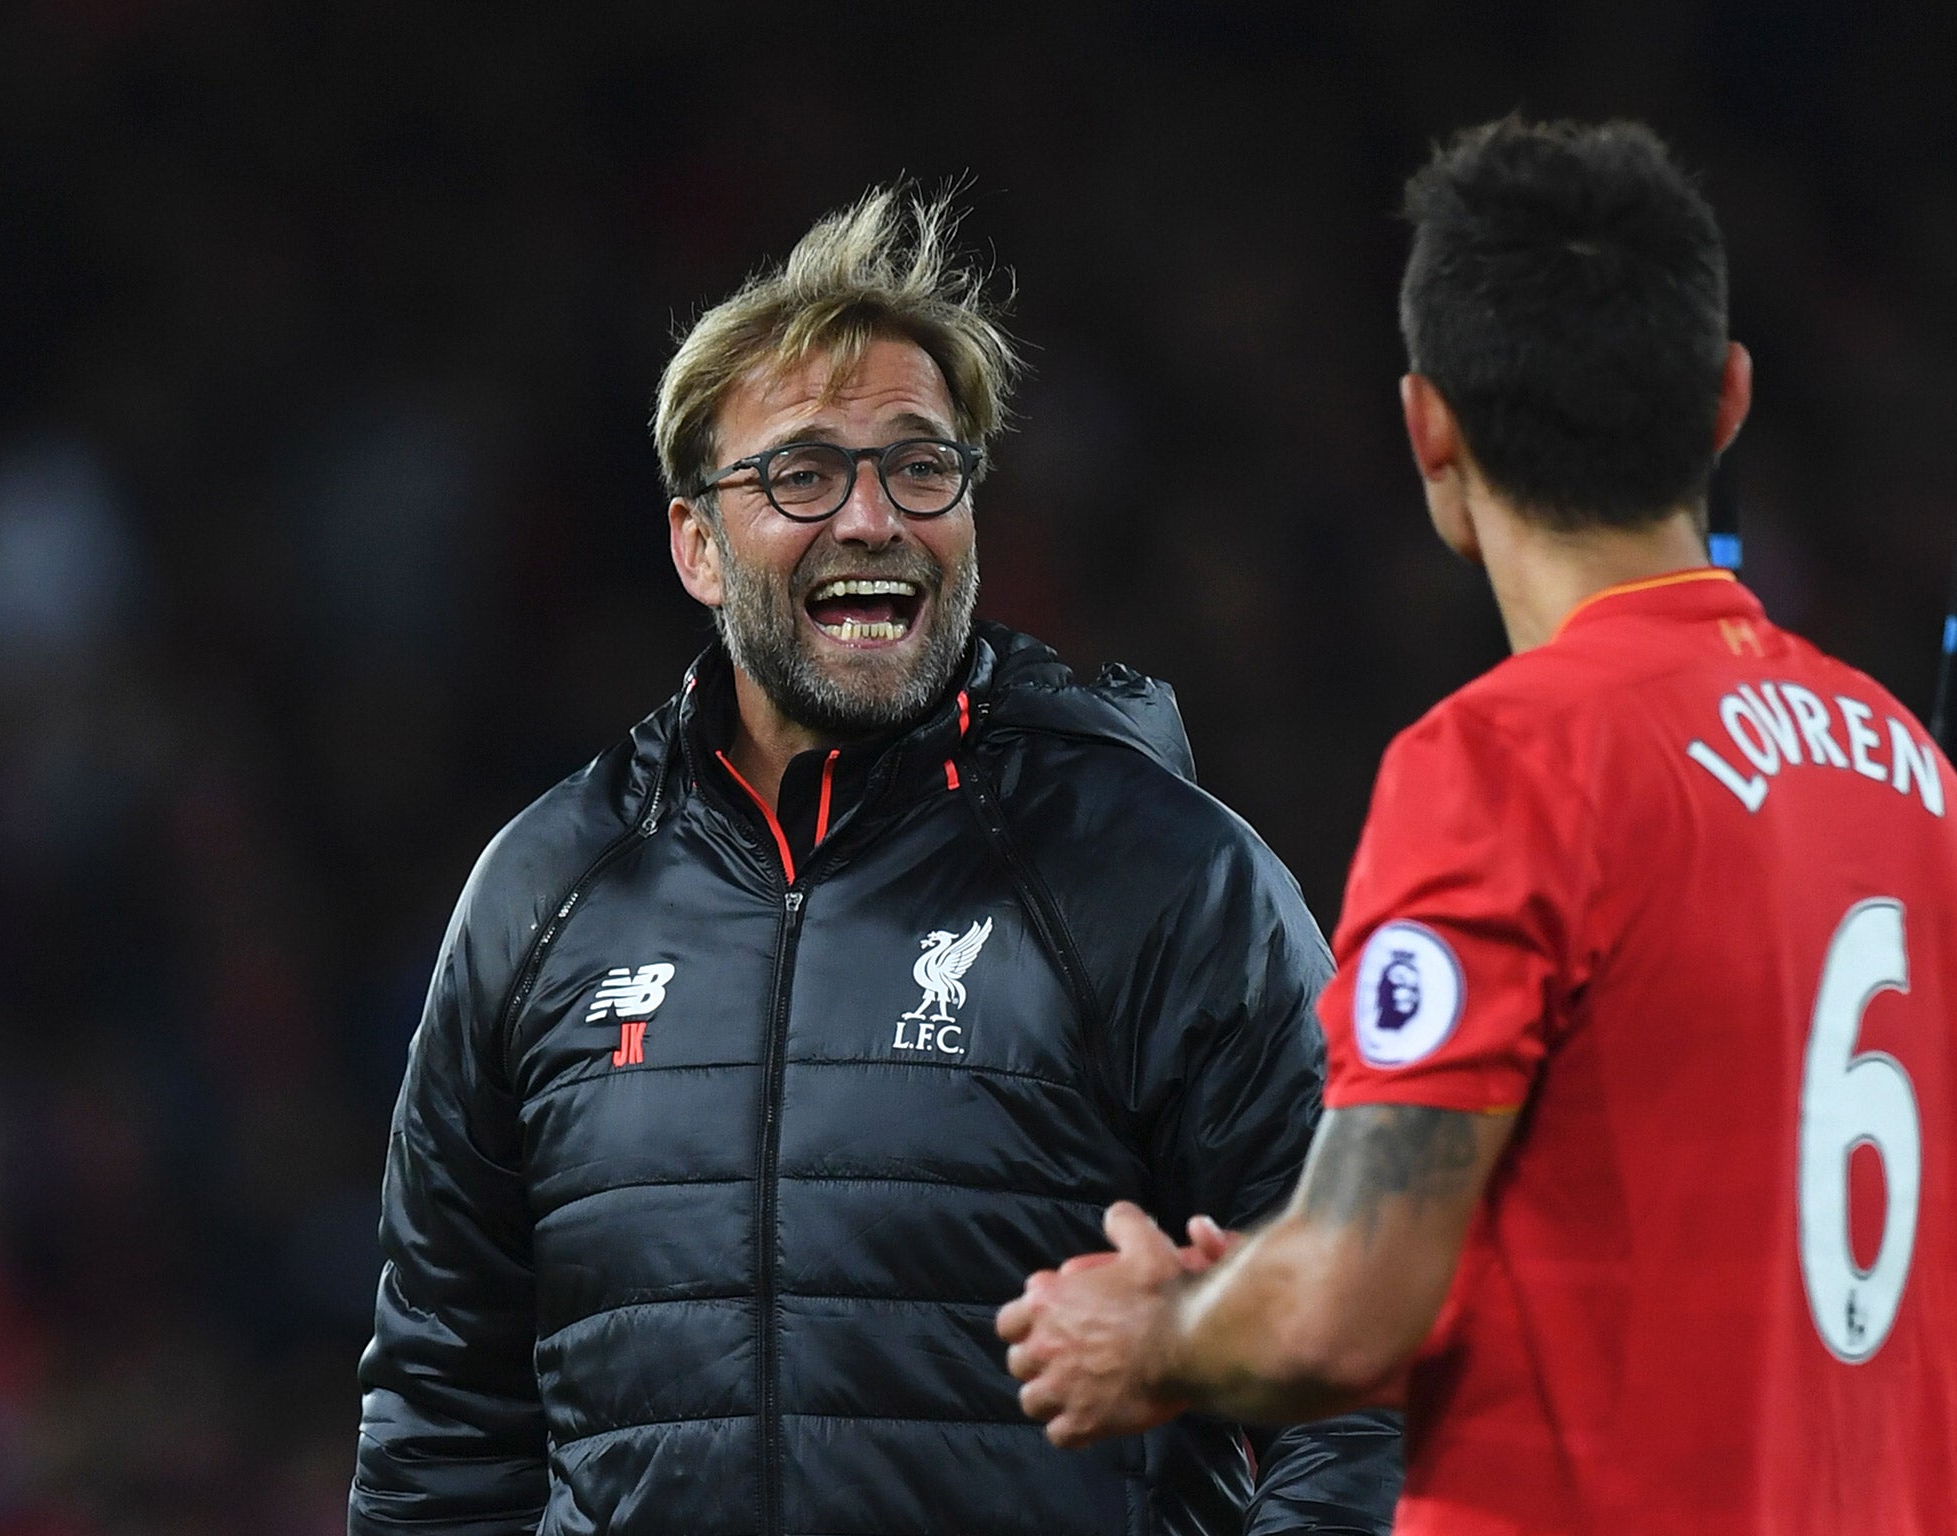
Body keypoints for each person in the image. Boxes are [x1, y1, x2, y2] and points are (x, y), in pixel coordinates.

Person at [348, 186, 1401, 1536]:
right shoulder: (544, 894)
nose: (871, 519)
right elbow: (444, 1417)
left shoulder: (1160, 877)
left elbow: (1358, 1352)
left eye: (919, 466)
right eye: (800, 473)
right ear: (695, 544)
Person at [998, 117, 1957, 1536]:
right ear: (1726, 400)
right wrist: (1258, 1282)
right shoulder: (1917, 781)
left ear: (1428, 425)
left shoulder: (1512, 763)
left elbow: (1347, 1315)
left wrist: (1156, 1334)